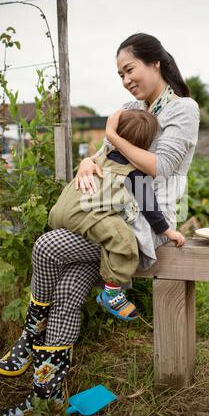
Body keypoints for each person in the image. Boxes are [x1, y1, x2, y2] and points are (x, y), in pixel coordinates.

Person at [0, 33, 200, 416]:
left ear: (155, 63)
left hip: (143, 223)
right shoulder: (130, 107)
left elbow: (159, 167)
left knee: (49, 246)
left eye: (130, 69)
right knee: (69, 290)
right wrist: (88, 162)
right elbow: (108, 156)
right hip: (104, 214)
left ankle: (29, 334)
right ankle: (45, 398)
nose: (125, 79)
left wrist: (110, 135)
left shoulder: (183, 109)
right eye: (120, 73)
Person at [47, 108, 185, 322]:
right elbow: (150, 208)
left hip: (58, 213)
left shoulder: (98, 158)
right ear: (145, 146)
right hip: (88, 215)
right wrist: (168, 231)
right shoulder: (135, 173)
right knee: (125, 241)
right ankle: (111, 291)